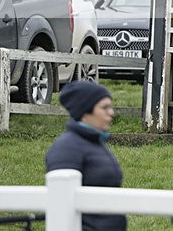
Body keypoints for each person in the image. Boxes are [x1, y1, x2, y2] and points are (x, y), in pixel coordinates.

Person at [45, 80, 126, 231]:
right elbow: (62, 205)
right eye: (104, 107)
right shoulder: (67, 149)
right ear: (85, 111)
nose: (111, 112)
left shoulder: (95, 143)